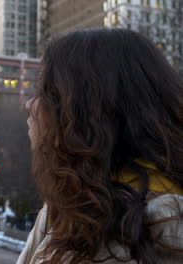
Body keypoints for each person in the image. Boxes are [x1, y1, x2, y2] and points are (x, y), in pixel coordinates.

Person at [18, 28, 183, 264]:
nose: (30, 104)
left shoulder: (154, 225)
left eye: (46, 92)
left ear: (85, 115)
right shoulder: (80, 205)